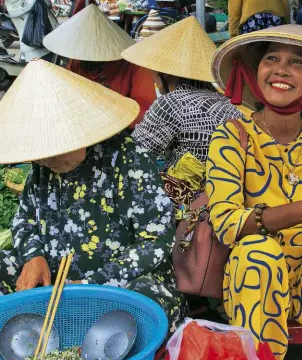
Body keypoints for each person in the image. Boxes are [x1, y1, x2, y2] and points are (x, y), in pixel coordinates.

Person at [0, 59, 185, 331]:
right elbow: (24, 218)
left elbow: (156, 240)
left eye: (54, 150)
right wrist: (33, 256)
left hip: (118, 285)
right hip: (54, 283)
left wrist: (93, 286)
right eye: (38, 153)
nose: (45, 160)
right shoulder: (43, 166)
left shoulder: (129, 159)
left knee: (148, 304)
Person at [206, 24, 302, 360]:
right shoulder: (232, 136)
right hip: (256, 286)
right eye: (271, 58)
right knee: (257, 250)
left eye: (297, 62)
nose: (281, 69)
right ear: (254, 73)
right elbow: (225, 224)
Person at [122, 16, 240, 171]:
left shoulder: (172, 104)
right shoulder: (222, 98)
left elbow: (136, 155)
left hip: (193, 190)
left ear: (165, 72)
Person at [43, 4, 156, 127]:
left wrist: (109, 115)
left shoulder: (135, 64)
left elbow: (145, 108)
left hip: (122, 127)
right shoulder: (77, 61)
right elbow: (67, 93)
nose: (87, 61)